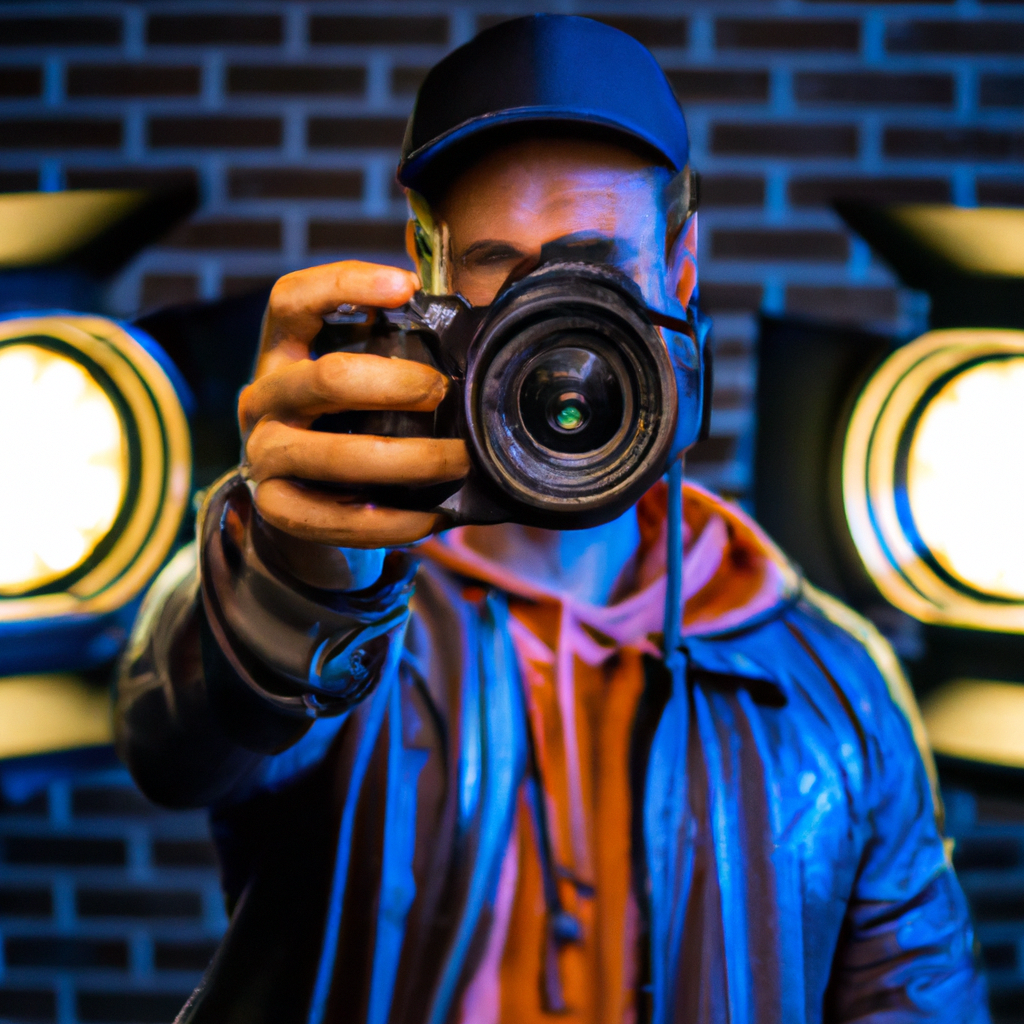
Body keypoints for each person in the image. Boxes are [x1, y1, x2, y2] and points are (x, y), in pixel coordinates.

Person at [116, 15, 987, 1024]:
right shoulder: (349, 604)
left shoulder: (834, 688)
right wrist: (288, 568)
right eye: (496, 268)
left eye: (594, 266)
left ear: (680, 267)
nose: (551, 331)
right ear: (425, 272)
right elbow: (177, 741)